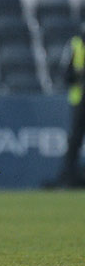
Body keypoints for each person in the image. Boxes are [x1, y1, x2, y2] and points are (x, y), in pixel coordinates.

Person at [53, 29, 85, 187]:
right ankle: (68, 178)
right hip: (80, 100)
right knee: (75, 140)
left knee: (75, 140)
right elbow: (65, 75)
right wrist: (79, 75)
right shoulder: (76, 44)